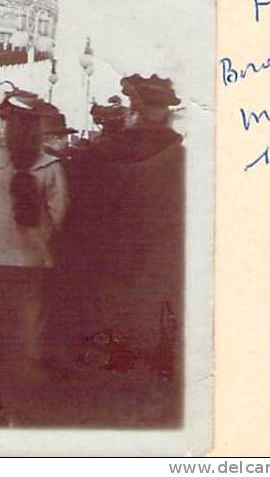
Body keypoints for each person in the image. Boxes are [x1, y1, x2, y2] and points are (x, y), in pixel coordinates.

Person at [74, 74, 185, 385]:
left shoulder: (101, 150)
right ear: (166, 111)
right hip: (162, 245)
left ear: (133, 108)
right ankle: (159, 357)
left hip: (109, 244)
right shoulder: (181, 154)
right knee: (158, 302)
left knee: (110, 300)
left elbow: (82, 204)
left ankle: (111, 355)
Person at [0, 94, 69, 426]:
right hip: (33, 262)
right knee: (28, 334)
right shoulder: (50, 166)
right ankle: (21, 409)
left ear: (5, 126)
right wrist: (37, 237)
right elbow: (59, 214)